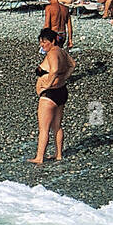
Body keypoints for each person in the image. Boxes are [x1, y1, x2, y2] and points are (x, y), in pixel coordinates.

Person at [29, 27, 75, 165]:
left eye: (44, 42)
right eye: (41, 42)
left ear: (53, 41)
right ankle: (59, 154)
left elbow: (54, 69)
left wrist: (48, 84)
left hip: (50, 94)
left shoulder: (52, 54)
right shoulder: (62, 52)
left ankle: (39, 157)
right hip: (61, 91)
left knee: (44, 128)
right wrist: (64, 78)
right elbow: (72, 65)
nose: (42, 45)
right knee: (57, 126)